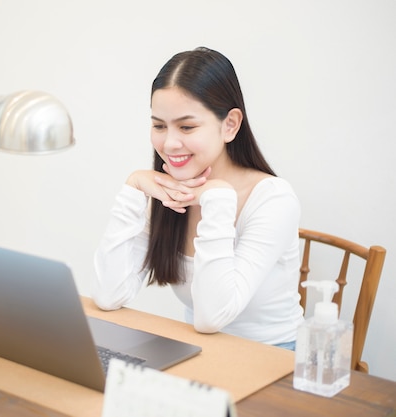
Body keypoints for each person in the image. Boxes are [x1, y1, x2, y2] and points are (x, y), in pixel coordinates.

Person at [92, 47, 304, 349]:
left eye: (187, 126)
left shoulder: (273, 199)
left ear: (229, 124)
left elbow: (211, 317)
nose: (170, 143)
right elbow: (108, 296)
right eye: (159, 126)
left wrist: (218, 198)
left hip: (275, 358)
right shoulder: (169, 192)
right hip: (200, 352)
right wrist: (133, 189)